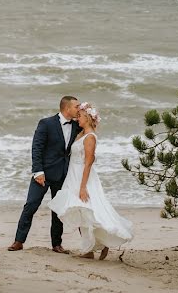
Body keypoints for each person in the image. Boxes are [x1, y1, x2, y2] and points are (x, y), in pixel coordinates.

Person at [48, 101, 133, 259]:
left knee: (92, 212)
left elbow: (88, 163)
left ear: (87, 118)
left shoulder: (90, 138)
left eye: (79, 116)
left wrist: (82, 187)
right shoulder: (81, 134)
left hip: (83, 177)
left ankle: (99, 245)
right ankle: (90, 249)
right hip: (73, 176)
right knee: (82, 213)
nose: (77, 119)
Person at [8, 95, 81, 253]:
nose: (79, 109)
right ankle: (18, 241)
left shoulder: (76, 125)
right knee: (31, 205)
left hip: (63, 174)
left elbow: (90, 131)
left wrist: (90, 114)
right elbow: (37, 148)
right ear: (67, 108)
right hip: (44, 173)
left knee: (58, 210)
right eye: (77, 106)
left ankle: (57, 244)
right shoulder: (46, 123)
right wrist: (38, 171)